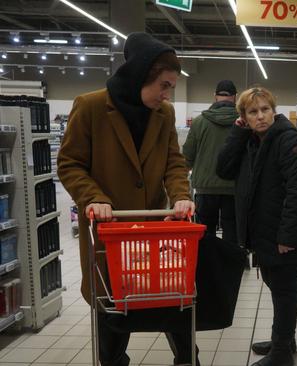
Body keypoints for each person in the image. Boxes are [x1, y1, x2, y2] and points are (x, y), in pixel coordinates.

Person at [57, 33, 198, 366]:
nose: (167, 94)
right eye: (163, 85)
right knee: (112, 314)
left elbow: (174, 161)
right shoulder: (91, 106)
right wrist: (94, 197)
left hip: (154, 236)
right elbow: (70, 162)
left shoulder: (164, 114)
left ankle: (188, 361)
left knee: (173, 304)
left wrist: (180, 195)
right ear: (140, 76)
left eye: (171, 87)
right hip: (109, 232)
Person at [217, 87, 297, 366]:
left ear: (274, 111)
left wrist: (287, 237)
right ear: (244, 117)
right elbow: (223, 169)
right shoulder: (252, 141)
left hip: (284, 235)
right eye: (253, 112)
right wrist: (238, 133)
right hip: (263, 231)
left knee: (284, 289)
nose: (261, 116)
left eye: (265, 109)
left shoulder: (289, 142)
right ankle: (284, 340)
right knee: (277, 286)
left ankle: (282, 353)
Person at [183, 80, 238, 243]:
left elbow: (188, 155)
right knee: (232, 231)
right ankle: (231, 265)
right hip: (234, 188)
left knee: (206, 232)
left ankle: (208, 266)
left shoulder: (199, 121)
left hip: (205, 188)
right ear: (235, 97)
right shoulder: (243, 122)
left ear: (215, 96)